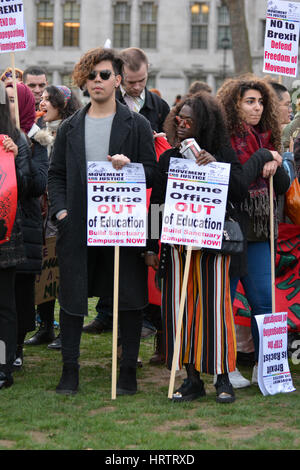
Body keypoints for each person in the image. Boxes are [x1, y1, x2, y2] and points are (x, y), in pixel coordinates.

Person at [47, 47, 157, 395]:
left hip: (121, 225)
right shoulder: (70, 127)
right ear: (84, 81)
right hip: (77, 225)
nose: (97, 80)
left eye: (105, 75)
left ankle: (127, 372)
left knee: (128, 296)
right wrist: (62, 212)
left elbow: (153, 173)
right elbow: (56, 175)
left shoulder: (137, 124)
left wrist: (132, 167)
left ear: (118, 80)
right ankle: (69, 370)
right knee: (73, 298)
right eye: (92, 75)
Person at [83, 47, 170, 359]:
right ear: (120, 80)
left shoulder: (158, 104)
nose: (137, 87)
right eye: (131, 82)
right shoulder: (108, 102)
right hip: (117, 199)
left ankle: (153, 325)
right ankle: (109, 315)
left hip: (151, 195)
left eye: (142, 81)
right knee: (114, 263)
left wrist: (156, 139)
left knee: (149, 254)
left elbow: (166, 147)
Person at [217, 76, 290, 384]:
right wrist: (265, 157)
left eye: (260, 101)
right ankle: (225, 368)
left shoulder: (268, 137)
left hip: (260, 233)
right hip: (232, 232)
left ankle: (267, 366)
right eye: (250, 101)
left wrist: (278, 162)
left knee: (263, 302)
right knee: (224, 302)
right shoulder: (224, 140)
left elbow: (283, 188)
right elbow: (237, 187)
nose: (257, 107)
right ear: (234, 104)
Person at [24, 85, 81, 351]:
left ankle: (65, 330)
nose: (42, 102)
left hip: (64, 209)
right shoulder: (36, 128)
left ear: (63, 104)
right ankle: (45, 326)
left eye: (49, 99)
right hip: (42, 210)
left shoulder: (72, 129)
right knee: (45, 269)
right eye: (41, 99)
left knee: (63, 272)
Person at [5, 82, 49, 368]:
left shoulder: (37, 141)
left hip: (26, 227)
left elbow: (36, 185)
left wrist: (19, 152)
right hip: (4, 227)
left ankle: (16, 346)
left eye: (13, 100)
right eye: (4, 99)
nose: (8, 105)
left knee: (20, 294)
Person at [0, 82, 31, 389]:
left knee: (4, 306)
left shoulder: (16, 139)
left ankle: (2, 365)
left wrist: (12, 158)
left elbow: (26, 185)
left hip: (4, 235)